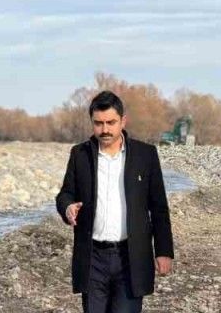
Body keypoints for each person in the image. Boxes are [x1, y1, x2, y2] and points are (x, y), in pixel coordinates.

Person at [55, 90, 175, 313]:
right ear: (92, 122)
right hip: (93, 258)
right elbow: (65, 194)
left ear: (123, 121)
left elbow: (159, 207)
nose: (105, 130)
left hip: (131, 257)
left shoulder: (145, 155)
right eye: (98, 123)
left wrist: (164, 251)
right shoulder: (80, 154)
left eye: (111, 122)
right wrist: (67, 207)